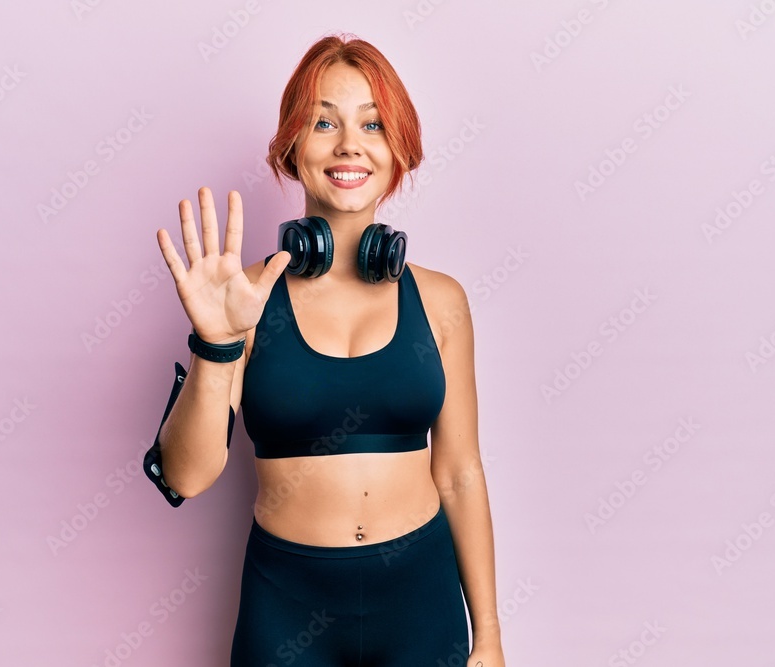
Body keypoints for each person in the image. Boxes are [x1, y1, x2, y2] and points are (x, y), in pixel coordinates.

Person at [143, 33, 505, 667]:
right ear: (293, 147)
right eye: (324, 122)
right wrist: (215, 342)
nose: (349, 145)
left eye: (372, 124)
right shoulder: (244, 301)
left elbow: (459, 472)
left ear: (398, 149)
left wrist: (491, 637)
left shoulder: (442, 300)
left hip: (420, 601)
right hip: (286, 606)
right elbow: (187, 476)